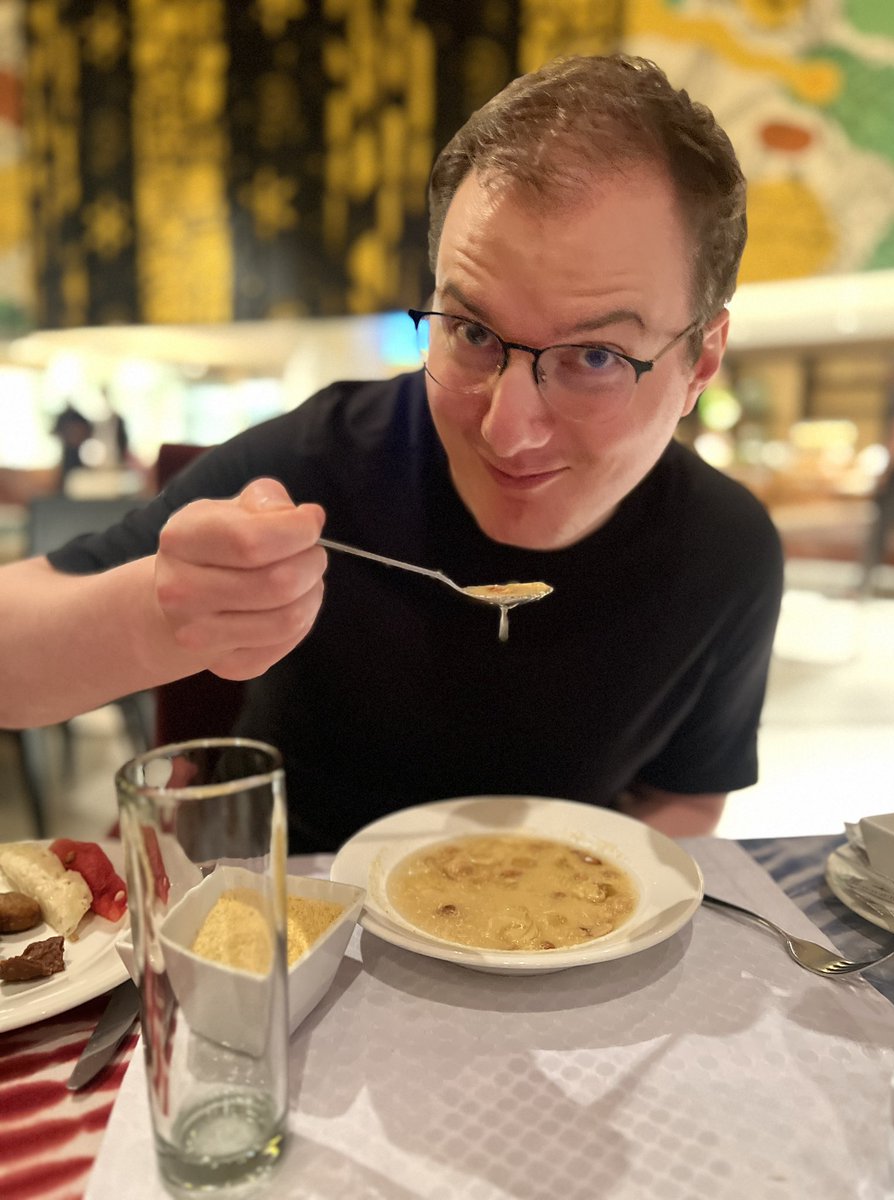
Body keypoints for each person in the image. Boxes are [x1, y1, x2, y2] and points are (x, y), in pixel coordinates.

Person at [0, 54, 783, 852]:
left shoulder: (725, 549)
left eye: (596, 358)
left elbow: (687, 800)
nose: (506, 431)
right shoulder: (315, 466)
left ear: (702, 363)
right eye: (473, 333)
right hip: (299, 923)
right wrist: (151, 615)